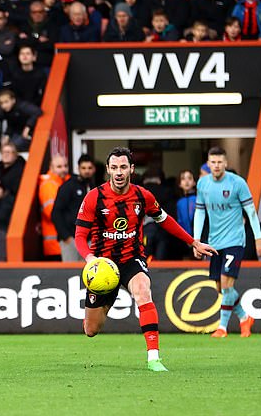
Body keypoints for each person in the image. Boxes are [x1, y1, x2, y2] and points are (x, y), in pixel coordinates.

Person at [75, 147, 216, 371]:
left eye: (123, 167)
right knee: (91, 329)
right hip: (102, 265)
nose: (119, 172)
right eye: (114, 168)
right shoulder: (95, 197)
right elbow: (80, 236)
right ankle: (101, 306)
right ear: (108, 170)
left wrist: (193, 242)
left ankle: (153, 358)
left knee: (143, 290)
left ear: (131, 168)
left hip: (132, 257)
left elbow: (165, 220)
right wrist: (90, 258)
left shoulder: (143, 196)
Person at [193, 146, 261, 338]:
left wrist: (258, 238)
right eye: (213, 162)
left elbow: (250, 212)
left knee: (226, 284)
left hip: (235, 240)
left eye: (219, 162)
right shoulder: (202, 184)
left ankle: (222, 327)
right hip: (214, 242)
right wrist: (196, 240)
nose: (216, 166)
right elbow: (200, 211)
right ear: (208, 164)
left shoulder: (238, 183)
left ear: (226, 163)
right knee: (220, 288)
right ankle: (244, 317)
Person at [52, 154, 95, 262]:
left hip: (89, 239)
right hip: (71, 238)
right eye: (83, 168)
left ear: (94, 169)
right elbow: (56, 213)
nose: (87, 171)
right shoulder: (68, 186)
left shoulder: (95, 187)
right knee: (70, 273)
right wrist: (66, 236)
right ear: (78, 168)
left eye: (89, 168)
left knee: (89, 273)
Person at [38, 155, 70, 260]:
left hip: (65, 242)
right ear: (51, 168)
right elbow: (52, 213)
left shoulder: (65, 183)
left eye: (65, 166)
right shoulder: (48, 186)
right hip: (55, 245)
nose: (63, 169)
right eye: (59, 166)